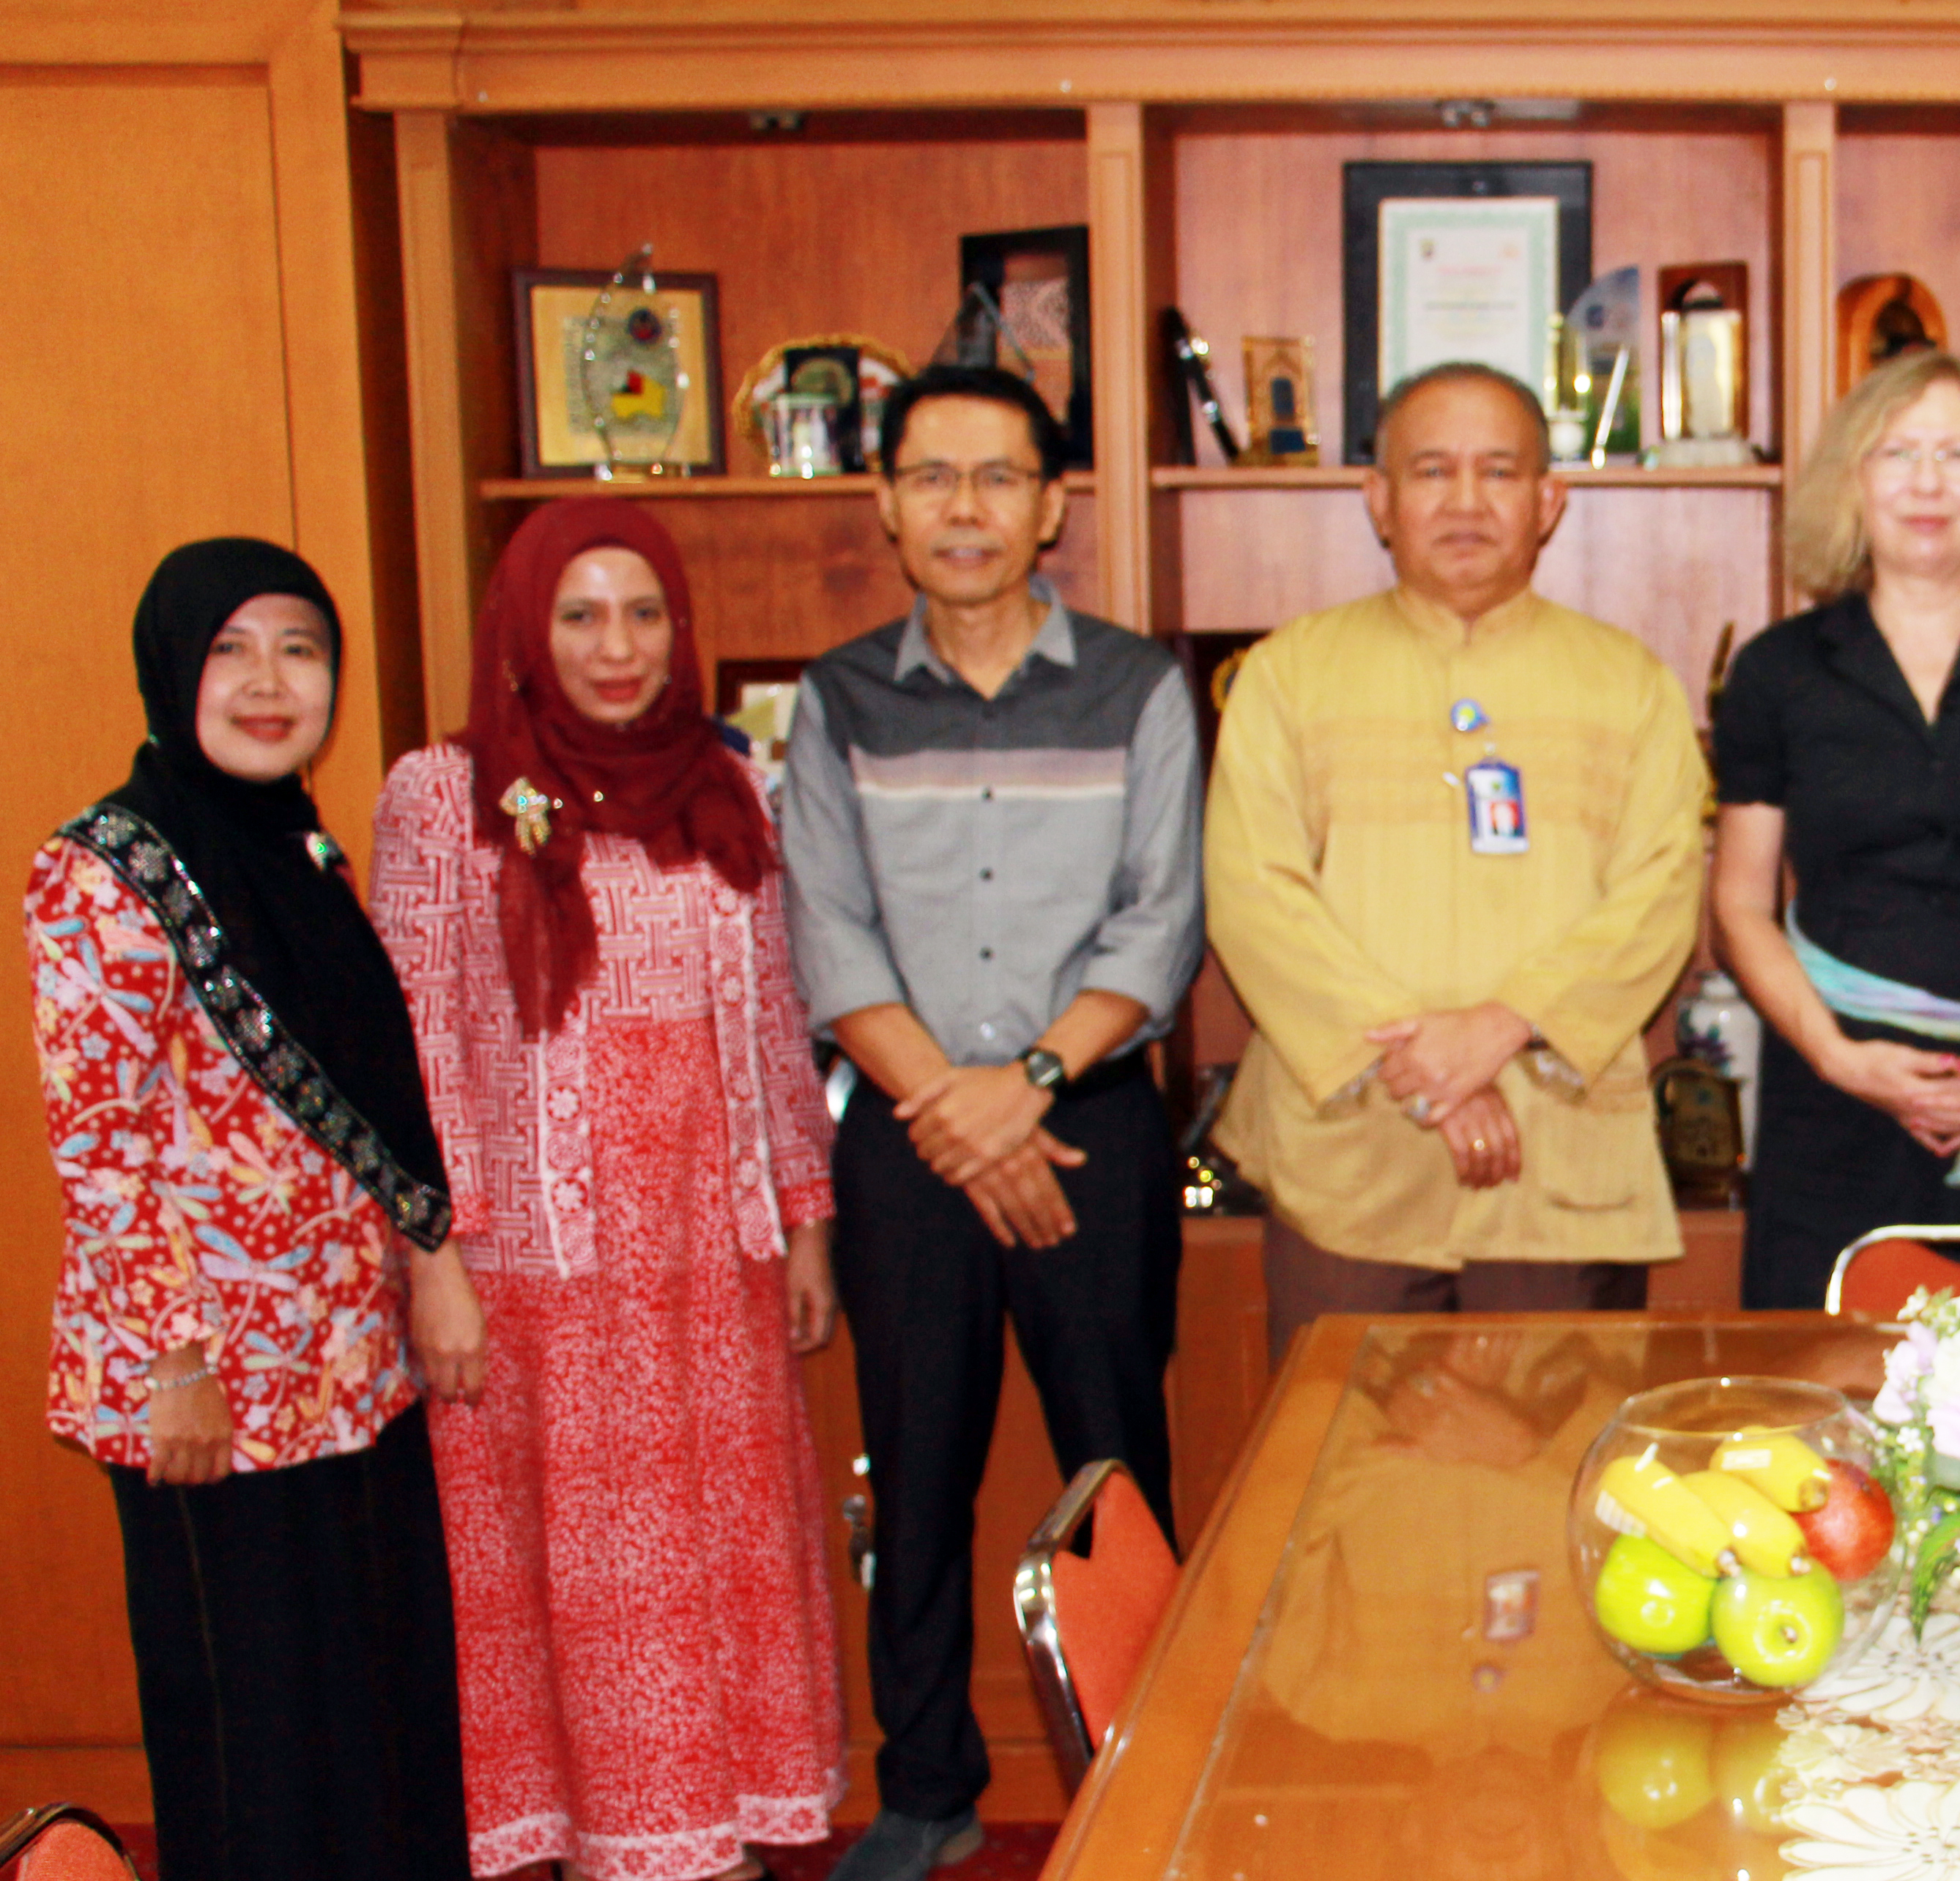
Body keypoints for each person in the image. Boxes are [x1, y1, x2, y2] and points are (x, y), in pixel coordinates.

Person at [370, 499, 843, 1881]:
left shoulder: (725, 788)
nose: (616, 646)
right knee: (578, 1588)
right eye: (579, 615)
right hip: (534, 1282)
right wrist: (432, 1262)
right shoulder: (444, 795)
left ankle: (716, 1832)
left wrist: (805, 1218)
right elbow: (414, 1046)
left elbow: (771, 1013)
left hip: (711, 1264)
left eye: (643, 614)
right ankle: (606, 1844)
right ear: (525, 631)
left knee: (717, 1565)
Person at [780, 366, 1207, 1881]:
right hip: (905, 1133)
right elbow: (830, 940)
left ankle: (1143, 1765)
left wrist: (1017, 1090)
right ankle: (926, 1788)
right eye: (934, 478)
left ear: (1050, 508)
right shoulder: (837, 699)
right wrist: (954, 1114)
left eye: (998, 477)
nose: (966, 508)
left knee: (1113, 1458)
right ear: (886, 504)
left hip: (1085, 1123)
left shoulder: (1139, 687)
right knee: (917, 1466)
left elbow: (1161, 928)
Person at [24, 539, 475, 1881]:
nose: (271, 682)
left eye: (301, 648)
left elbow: (374, 1096)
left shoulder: (303, 852)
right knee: (256, 1741)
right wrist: (176, 1367)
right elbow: (102, 1150)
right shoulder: (107, 869)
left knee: (375, 1721)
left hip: (347, 1369)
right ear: (172, 668)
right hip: (206, 1393)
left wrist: (429, 1266)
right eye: (231, 648)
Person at [1208, 363, 1707, 1361]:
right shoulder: (1288, 675)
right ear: (1379, 499)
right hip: (1353, 1165)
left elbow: (1660, 897)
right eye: (1432, 471)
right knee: (1339, 1483)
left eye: (1500, 472)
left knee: (1554, 1474)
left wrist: (1502, 1025)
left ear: (1548, 501)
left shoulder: (1630, 685)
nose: (1467, 502)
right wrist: (1433, 1071)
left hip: (1557, 1163)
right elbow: (1254, 896)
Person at [1709, 351, 1960, 1309]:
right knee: (1819, 1396)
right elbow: (1740, 905)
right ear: (1853, 481)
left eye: (1957, 455)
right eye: (1898, 454)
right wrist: (1838, 1056)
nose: (1928, 484)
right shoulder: (1779, 673)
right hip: (1832, 1095)